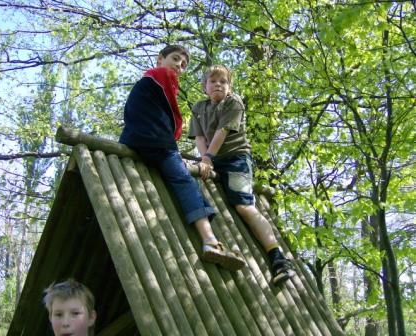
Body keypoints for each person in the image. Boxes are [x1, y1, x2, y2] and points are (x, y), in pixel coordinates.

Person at [119, 45, 245, 271]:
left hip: (134, 139)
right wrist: (176, 133)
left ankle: (210, 238)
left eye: (184, 64)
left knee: (177, 179)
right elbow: (175, 119)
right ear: (160, 59)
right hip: (157, 142)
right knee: (185, 181)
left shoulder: (148, 85)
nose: (179, 66)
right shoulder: (160, 76)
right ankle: (209, 241)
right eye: (175, 59)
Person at [189, 64, 294, 285]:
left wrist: (208, 157)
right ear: (204, 86)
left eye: (223, 82)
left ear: (229, 87)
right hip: (212, 158)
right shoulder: (199, 107)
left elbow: (222, 132)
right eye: (213, 81)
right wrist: (204, 158)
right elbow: (199, 137)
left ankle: (278, 258)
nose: (218, 85)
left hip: (236, 158)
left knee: (244, 205)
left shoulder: (233, 103)